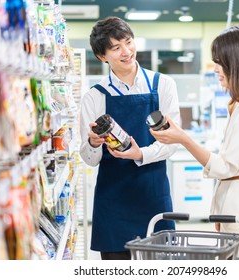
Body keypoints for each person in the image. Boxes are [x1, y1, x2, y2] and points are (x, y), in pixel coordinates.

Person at [150, 25, 239, 260]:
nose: (216, 69)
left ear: (238, 63)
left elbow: (225, 166)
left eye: (220, 62)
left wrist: (183, 138)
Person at [79, 16, 181, 260]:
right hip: (113, 200)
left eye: (128, 42)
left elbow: (173, 141)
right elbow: (89, 158)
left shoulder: (162, 85)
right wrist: (93, 142)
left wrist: (141, 154)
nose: (126, 52)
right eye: (116, 48)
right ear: (102, 56)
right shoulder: (95, 97)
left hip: (153, 193)